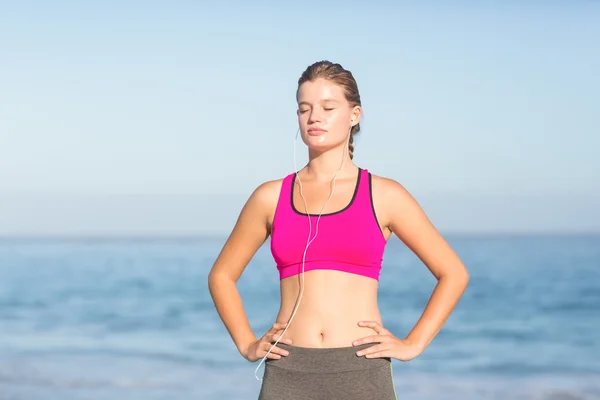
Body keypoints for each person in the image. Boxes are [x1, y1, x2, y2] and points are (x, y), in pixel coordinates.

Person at [207, 60, 470, 400]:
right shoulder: (270, 197)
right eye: (304, 109)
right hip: (289, 369)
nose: (314, 117)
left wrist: (413, 343)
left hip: (361, 368)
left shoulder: (384, 194)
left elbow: (453, 273)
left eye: (328, 107)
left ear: (354, 114)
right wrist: (246, 343)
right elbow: (221, 276)